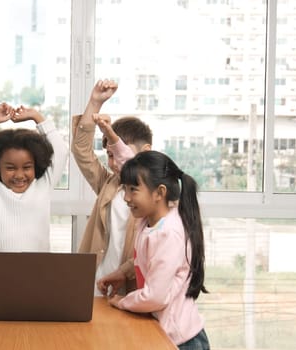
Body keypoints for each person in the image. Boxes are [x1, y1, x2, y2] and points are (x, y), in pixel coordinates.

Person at [98, 150, 210, 349]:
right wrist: (122, 273)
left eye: (133, 190)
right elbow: (148, 259)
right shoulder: (148, 222)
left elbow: (155, 297)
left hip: (183, 341)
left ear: (159, 193)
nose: (126, 197)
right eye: (125, 189)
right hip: (165, 333)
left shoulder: (169, 233)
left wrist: (121, 301)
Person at [71, 79, 152, 296]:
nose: (114, 162)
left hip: (130, 289)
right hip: (96, 284)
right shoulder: (109, 184)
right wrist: (95, 104)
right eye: (109, 155)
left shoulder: (156, 195)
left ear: (146, 151)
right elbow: (81, 151)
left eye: (118, 153)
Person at [0, 103, 68, 251]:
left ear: (35, 165)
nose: (19, 175)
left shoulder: (43, 186)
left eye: (26, 167)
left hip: (40, 270)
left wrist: (36, 116)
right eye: (10, 168)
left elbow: (61, 152)